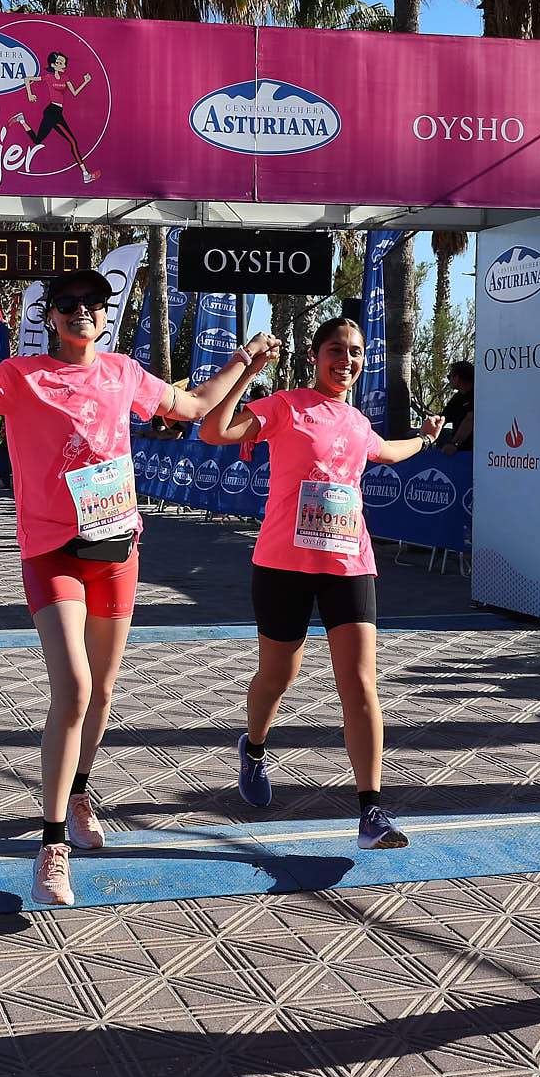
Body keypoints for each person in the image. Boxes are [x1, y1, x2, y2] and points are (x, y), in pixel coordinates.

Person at [0, 268, 274, 907]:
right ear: (51, 318)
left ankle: (81, 789)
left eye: (92, 303)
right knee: (75, 686)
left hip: (116, 548)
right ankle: (52, 843)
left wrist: (245, 362)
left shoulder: (123, 373)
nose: (81, 312)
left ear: (103, 313)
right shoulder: (21, 376)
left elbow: (197, 407)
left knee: (103, 691)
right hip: (52, 552)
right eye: (67, 304)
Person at [199, 317, 443, 847]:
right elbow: (214, 431)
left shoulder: (356, 421)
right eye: (336, 350)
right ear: (315, 355)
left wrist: (425, 440)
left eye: (355, 352)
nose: (347, 360)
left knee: (359, 683)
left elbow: (387, 451)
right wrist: (247, 369)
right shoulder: (285, 406)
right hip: (282, 565)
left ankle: (371, 810)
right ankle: (255, 748)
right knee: (277, 677)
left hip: (349, 565)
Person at [13, 51, 98, 185]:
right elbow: (27, 79)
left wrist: (85, 82)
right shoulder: (49, 77)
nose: (62, 65)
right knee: (73, 142)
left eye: (63, 63)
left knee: (37, 140)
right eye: (59, 62)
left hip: (57, 112)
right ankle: (85, 174)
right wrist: (30, 94)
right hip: (52, 112)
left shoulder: (65, 78)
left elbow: (75, 93)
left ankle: (22, 120)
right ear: (53, 65)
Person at [435, 361, 474, 455]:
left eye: (449, 377)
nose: (449, 380)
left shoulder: (477, 395)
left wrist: (454, 444)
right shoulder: (457, 397)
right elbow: (443, 417)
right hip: (456, 440)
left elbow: (470, 420)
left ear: (457, 377)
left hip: (471, 448)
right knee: (412, 434)